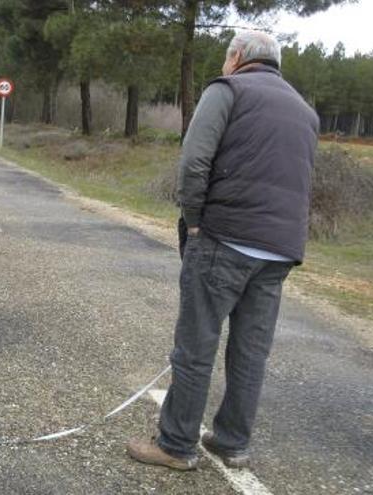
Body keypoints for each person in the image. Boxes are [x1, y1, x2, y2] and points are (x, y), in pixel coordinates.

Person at [127, 31, 319, 470]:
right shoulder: (306, 111)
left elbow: (194, 160)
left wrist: (193, 220)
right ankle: (232, 442)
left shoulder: (227, 89)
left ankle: (175, 445)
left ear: (236, 57)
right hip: (279, 251)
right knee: (251, 352)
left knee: (195, 345)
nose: (224, 62)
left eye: (226, 56)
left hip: (225, 237)